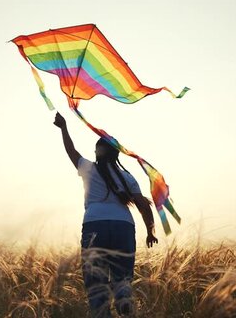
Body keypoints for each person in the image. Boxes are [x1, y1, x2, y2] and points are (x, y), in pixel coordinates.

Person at [53, 112, 158, 317]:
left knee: (96, 282)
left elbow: (71, 151)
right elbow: (144, 206)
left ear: (98, 153)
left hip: (95, 225)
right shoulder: (128, 177)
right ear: (116, 155)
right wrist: (150, 231)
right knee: (122, 276)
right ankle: (123, 296)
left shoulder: (87, 168)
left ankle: (102, 312)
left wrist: (64, 128)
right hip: (124, 227)